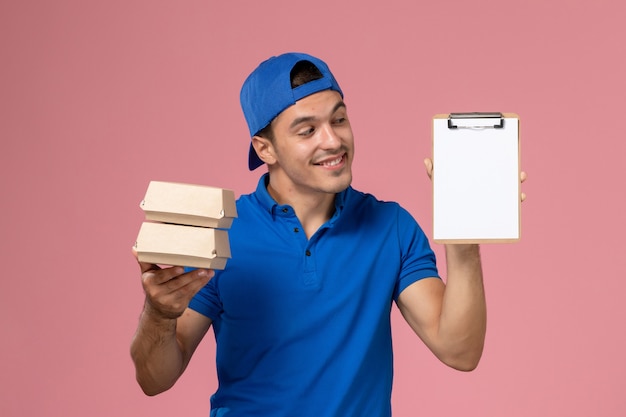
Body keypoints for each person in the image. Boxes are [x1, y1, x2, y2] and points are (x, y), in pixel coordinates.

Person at [131, 52, 511, 416]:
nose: (332, 141)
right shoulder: (223, 231)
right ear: (265, 149)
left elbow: (460, 351)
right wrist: (160, 314)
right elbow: (155, 379)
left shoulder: (390, 227)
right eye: (307, 130)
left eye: (339, 120)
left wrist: (463, 239)